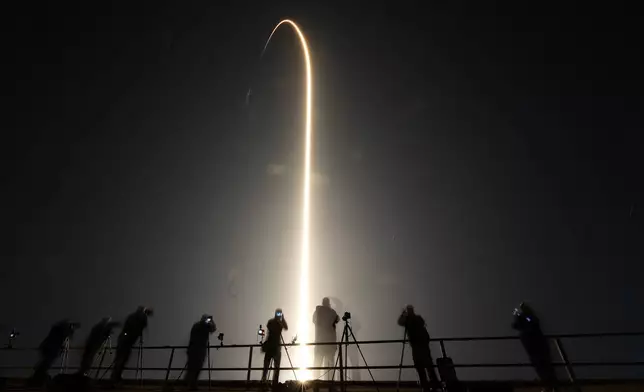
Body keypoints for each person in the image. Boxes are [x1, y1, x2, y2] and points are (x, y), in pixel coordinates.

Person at [512, 302, 558, 391]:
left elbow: (531, 321)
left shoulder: (530, 320)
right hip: (534, 349)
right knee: (542, 368)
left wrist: (523, 315)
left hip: (537, 348)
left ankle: (551, 386)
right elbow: (516, 324)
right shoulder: (526, 324)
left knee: (545, 367)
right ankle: (549, 386)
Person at [397, 305, 440, 391]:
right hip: (417, 345)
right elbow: (400, 322)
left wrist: (405, 317)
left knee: (427, 366)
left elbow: (420, 323)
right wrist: (403, 316)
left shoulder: (416, 318)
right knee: (421, 367)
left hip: (421, 345)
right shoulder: (408, 319)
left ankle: (433, 385)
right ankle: (427, 386)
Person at [111, 306, 153, 384]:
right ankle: (115, 378)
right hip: (127, 340)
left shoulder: (132, 316)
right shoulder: (142, 317)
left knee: (120, 359)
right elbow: (140, 328)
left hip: (124, 339)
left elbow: (129, 327)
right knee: (122, 359)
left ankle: (115, 378)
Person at [31, 319, 80, 384]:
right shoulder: (63, 330)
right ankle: (37, 377)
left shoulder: (57, 328)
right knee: (47, 362)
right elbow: (66, 336)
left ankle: (38, 375)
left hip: (48, 346)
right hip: (52, 348)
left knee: (46, 362)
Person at [185, 314, 217, 390]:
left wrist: (211, 321)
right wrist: (211, 322)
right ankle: (189, 385)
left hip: (197, 350)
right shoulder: (200, 326)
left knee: (195, 368)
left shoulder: (200, 325)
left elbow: (213, 329)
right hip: (197, 350)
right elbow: (213, 329)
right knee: (194, 368)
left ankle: (191, 384)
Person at [261, 308, 289, 389]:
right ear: (275, 313)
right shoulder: (271, 322)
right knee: (266, 365)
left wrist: (282, 319)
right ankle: (263, 380)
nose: (278, 315)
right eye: (278, 313)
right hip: (271, 345)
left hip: (276, 346)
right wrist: (279, 322)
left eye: (280, 314)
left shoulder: (279, 323)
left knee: (276, 366)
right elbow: (271, 329)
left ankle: (274, 382)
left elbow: (286, 327)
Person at [312, 298, 339, 379]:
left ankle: (315, 384)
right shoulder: (332, 312)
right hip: (329, 343)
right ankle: (330, 383)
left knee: (317, 365)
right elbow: (337, 319)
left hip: (319, 343)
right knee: (330, 366)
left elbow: (314, 320)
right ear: (328, 303)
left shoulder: (317, 312)